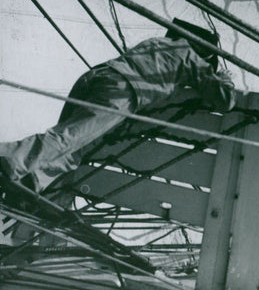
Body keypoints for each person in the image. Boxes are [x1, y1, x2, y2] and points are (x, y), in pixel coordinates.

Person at [0, 19, 236, 194]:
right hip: (122, 92)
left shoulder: (159, 42)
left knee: (75, 148)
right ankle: (8, 158)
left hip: (98, 76)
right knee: (67, 139)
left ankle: (32, 182)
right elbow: (224, 100)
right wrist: (224, 79)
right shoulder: (191, 57)